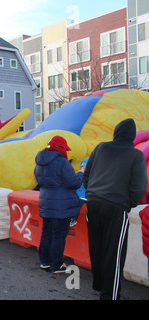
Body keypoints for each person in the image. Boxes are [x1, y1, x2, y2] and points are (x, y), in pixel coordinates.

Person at [83, 118, 148, 300]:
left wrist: (91, 192)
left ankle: (98, 285)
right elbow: (140, 185)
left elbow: (86, 175)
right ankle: (110, 294)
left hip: (93, 203)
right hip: (116, 206)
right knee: (114, 252)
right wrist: (129, 203)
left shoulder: (101, 148)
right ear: (132, 136)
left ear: (116, 132)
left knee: (96, 246)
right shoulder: (135, 155)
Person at [34, 135, 83, 274]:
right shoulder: (62, 162)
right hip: (61, 205)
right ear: (61, 148)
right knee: (59, 235)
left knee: (46, 232)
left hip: (45, 202)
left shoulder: (40, 161)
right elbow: (74, 183)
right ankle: (56, 265)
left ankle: (45, 262)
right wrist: (81, 174)